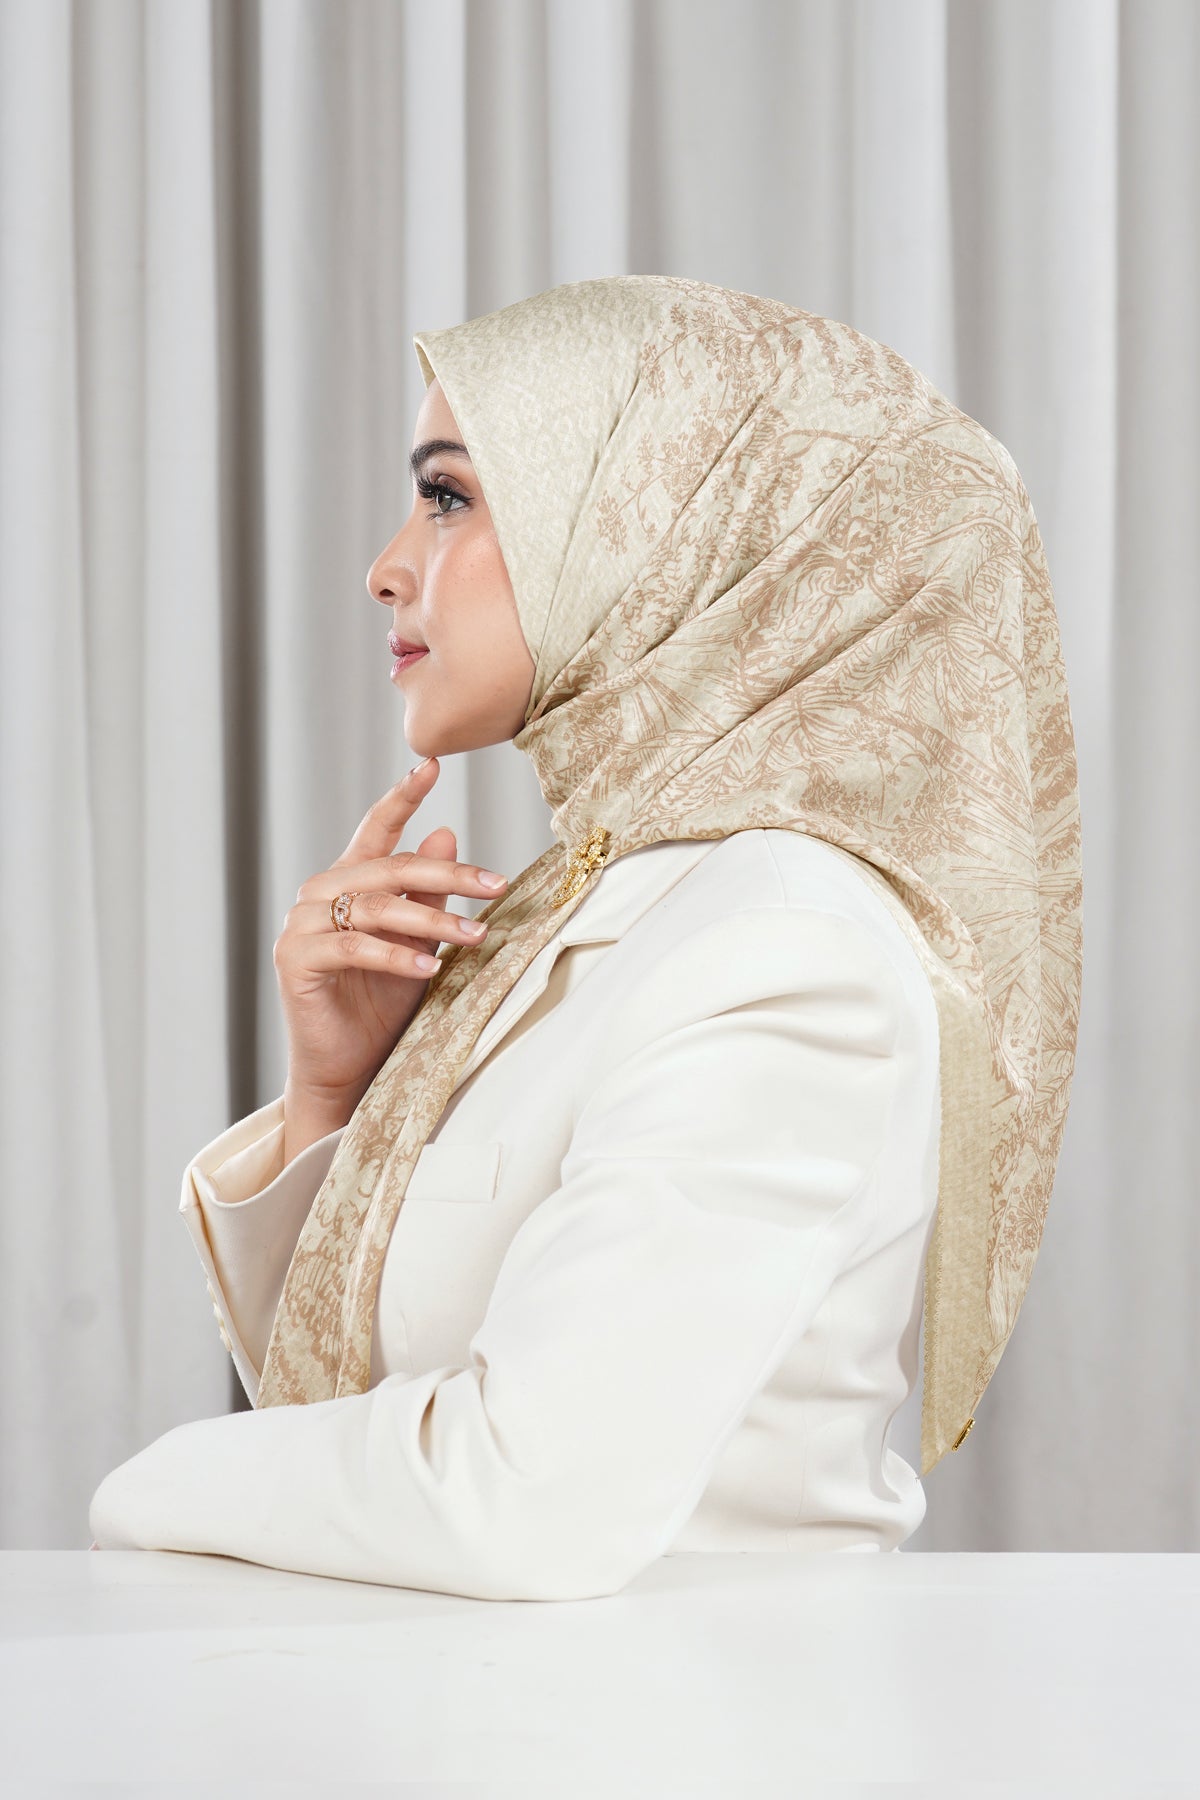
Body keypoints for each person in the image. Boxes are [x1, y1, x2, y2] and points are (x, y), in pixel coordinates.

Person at [88, 275, 1083, 1599]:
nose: (387, 565)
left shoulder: (786, 952)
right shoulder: (602, 903)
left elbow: (523, 1501)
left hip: (681, 1708)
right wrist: (340, 1097)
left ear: (663, 527)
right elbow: (349, 1405)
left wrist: (144, 1485)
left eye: (449, 496)